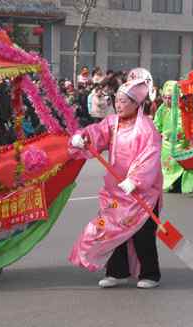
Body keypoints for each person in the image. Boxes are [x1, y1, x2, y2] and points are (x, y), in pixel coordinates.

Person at [69, 76, 163, 289]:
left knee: (142, 234)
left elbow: (151, 155)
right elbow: (96, 135)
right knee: (110, 229)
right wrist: (82, 138)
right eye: (117, 100)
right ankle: (117, 272)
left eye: (124, 101)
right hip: (115, 192)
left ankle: (150, 274)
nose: (119, 105)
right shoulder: (112, 123)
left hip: (142, 192)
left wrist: (135, 179)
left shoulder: (146, 127)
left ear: (136, 104)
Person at [153, 81, 186, 193]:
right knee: (166, 165)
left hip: (179, 143)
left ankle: (178, 184)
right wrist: (157, 132)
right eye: (166, 98)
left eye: (170, 98)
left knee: (178, 165)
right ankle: (168, 183)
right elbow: (157, 123)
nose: (167, 100)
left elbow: (184, 126)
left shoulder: (182, 109)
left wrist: (175, 134)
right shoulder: (162, 109)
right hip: (165, 144)